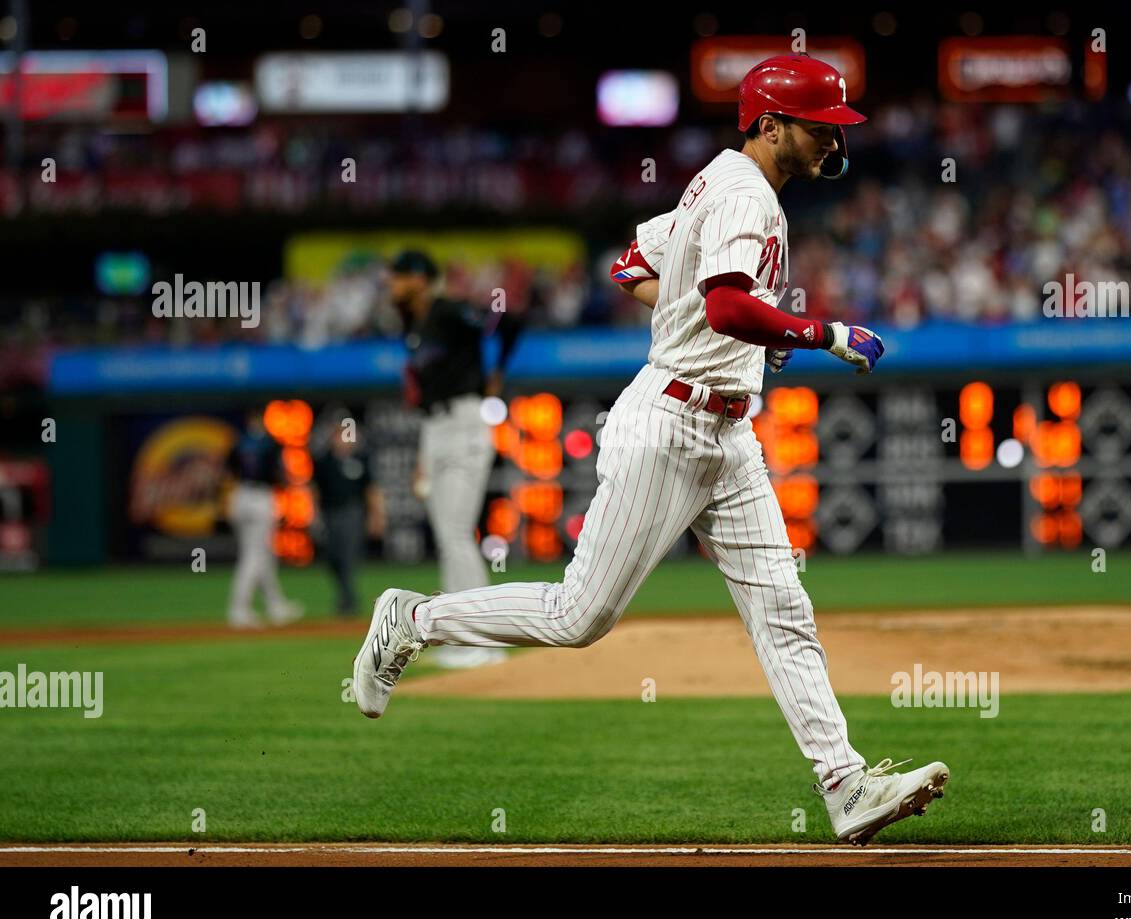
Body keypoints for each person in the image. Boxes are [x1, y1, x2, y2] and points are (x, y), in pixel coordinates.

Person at [354, 55, 950, 844]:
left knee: (782, 608)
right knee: (579, 617)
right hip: (670, 426)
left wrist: (731, 332)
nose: (831, 141)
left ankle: (844, 785)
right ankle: (412, 620)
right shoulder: (744, 195)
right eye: (819, 125)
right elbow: (731, 302)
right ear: (770, 125)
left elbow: (634, 265)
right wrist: (820, 334)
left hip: (726, 432)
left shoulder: (716, 183)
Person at [388, 249, 523, 669]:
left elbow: (508, 321)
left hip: (465, 422)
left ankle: (485, 640)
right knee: (449, 537)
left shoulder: (447, 311)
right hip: (435, 430)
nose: (392, 284)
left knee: (458, 533)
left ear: (421, 279)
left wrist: (497, 370)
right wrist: (422, 457)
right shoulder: (413, 322)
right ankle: (459, 638)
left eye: (399, 276)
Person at [225, 406, 304, 629]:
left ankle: (275, 606)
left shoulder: (239, 442)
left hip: (239, 497)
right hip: (260, 498)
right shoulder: (269, 443)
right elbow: (280, 474)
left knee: (264, 556)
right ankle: (238, 608)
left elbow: (228, 472)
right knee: (254, 556)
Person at [312, 410, 384, 616]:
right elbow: (315, 490)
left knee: (348, 556)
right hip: (330, 513)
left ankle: (348, 600)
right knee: (333, 557)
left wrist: (376, 515)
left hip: (353, 512)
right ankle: (346, 595)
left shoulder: (360, 459)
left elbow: (371, 490)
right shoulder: (324, 460)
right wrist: (314, 515)